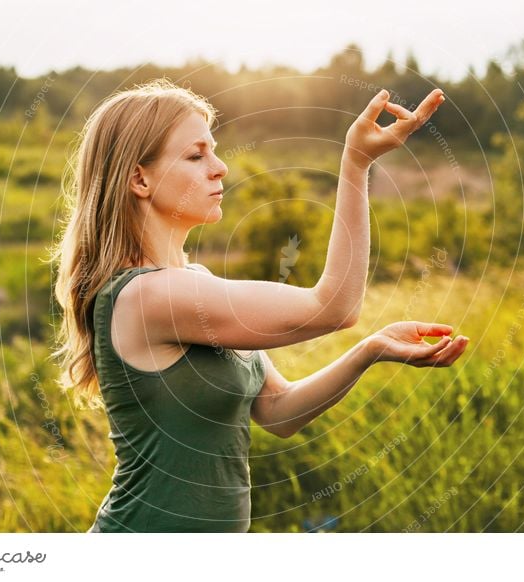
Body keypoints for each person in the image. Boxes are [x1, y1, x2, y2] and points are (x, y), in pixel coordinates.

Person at [50, 78, 469, 533]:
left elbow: (278, 410)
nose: (221, 167)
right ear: (139, 178)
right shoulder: (146, 298)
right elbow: (333, 307)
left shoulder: (194, 284)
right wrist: (356, 163)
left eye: (214, 150)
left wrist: (370, 349)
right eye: (196, 155)